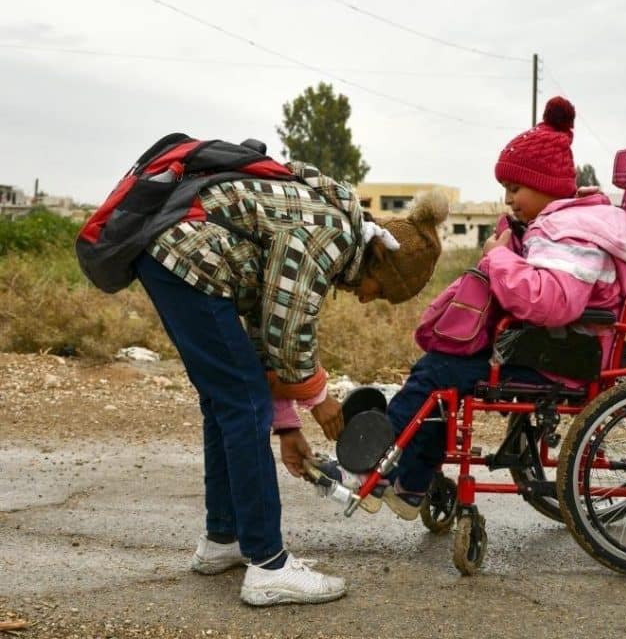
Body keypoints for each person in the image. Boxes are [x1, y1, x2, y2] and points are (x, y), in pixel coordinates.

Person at [134, 157, 448, 605]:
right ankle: (268, 566)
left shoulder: (332, 224)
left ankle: (225, 539)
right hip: (192, 261)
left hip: (173, 256)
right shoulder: (332, 236)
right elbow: (288, 328)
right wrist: (319, 399)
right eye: (377, 289)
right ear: (377, 258)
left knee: (226, 402)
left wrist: (286, 423)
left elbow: (267, 321)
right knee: (243, 405)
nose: (364, 297)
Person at [309, 96, 626, 520]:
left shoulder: (571, 234)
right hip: (548, 348)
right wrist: (513, 244)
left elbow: (552, 302)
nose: (508, 199)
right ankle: (409, 481)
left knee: (438, 373)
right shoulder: (555, 229)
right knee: (437, 370)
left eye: (515, 189)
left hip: (560, 357)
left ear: (548, 186)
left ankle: (375, 473)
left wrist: (500, 258)